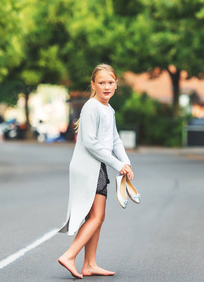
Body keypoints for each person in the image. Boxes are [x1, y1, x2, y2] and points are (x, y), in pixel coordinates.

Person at [58, 64, 134, 278]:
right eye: (101, 83)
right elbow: (90, 144)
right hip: (88, 166)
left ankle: (89, 264)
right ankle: (70, 255)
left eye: (110, 82)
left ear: (116, 84)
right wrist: (118, 165)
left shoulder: (108, 109)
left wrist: (125, 162)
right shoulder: (92, 107)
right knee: (97, 217)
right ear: (93, 85)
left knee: (94, 215)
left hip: (97, 165)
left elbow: (115, 140)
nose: (106, 86)